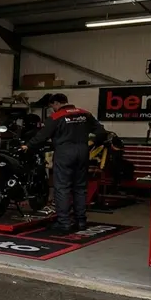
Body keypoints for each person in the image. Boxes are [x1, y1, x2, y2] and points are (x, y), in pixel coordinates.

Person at [27, 93, 104, 234]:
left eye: (52, 107)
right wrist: (91, 143)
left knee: (62, 188)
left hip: (64, 153)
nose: (52, 110)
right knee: (80, 188)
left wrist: (28, 146)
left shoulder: (56, 117)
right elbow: (101, 132)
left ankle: (64, 223)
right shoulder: (85, 114)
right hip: (83, 151)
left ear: (56, 103)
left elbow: (41, 137)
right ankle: (81, 221)